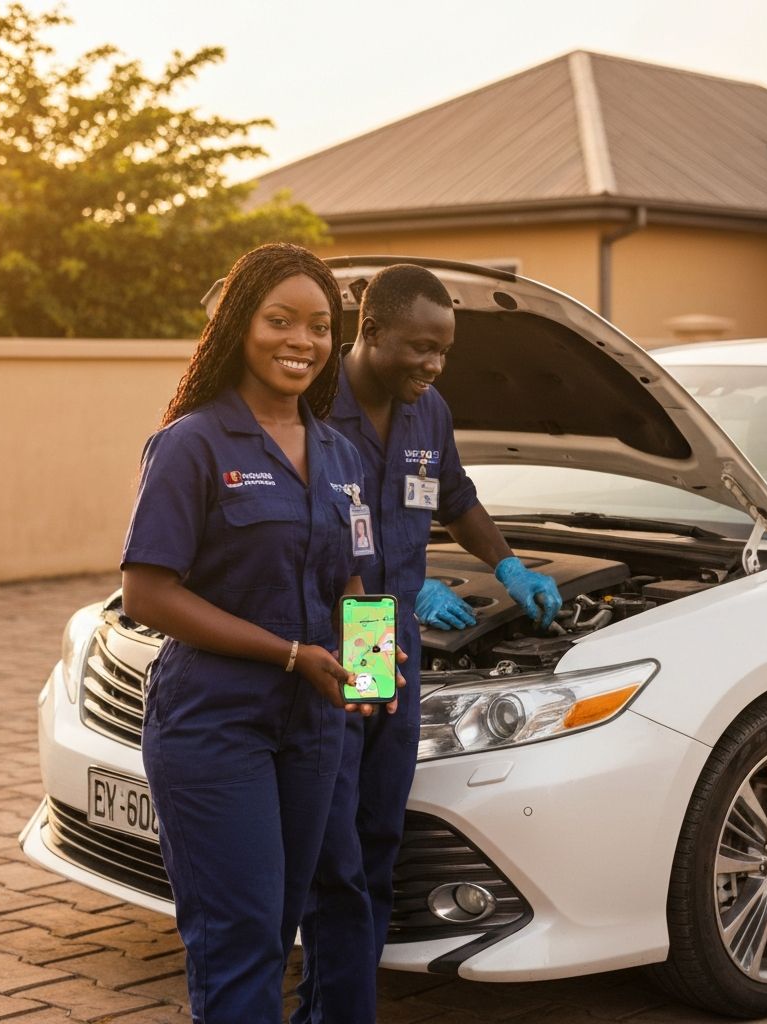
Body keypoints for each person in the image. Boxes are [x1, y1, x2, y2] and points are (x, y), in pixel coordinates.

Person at [294, 263, 563, 1023]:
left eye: (444, 352)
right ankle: (328, 1004)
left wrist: (506, 563)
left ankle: (346, 1000)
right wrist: (394, 592)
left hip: (387, 641)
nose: (433, 366)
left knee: (377, 830)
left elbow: (456, 498)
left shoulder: (429, 410)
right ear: (369, 332)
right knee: (334, 841)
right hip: (333, 638)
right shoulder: (310, 405)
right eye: (420, 348)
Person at [120, 243, 377, 1023]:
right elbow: (147, 594)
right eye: (281, 321)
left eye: (321, 326)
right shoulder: (191, 444)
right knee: (239, 940)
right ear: (239, 325)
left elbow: (355, 579)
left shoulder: (338, 451)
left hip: (313, 725)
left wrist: (371, 666)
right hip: (214, 720)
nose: (302, 341)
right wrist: (291, 654)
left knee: (285, 923)